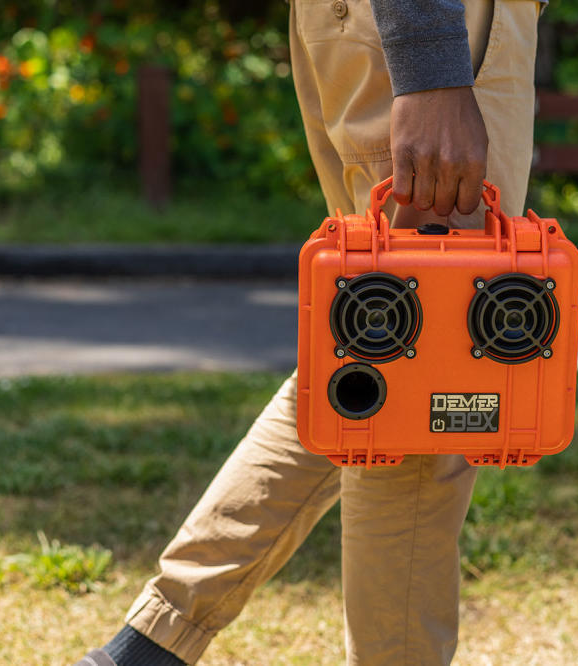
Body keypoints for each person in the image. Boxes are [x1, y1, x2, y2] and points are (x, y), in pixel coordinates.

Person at [76, 1, 542, 664]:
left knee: (371, 355)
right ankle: (151, 646)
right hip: (437, 24)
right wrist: (431, 69)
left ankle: (151, 646)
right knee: (422, 380)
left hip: (416, 25)